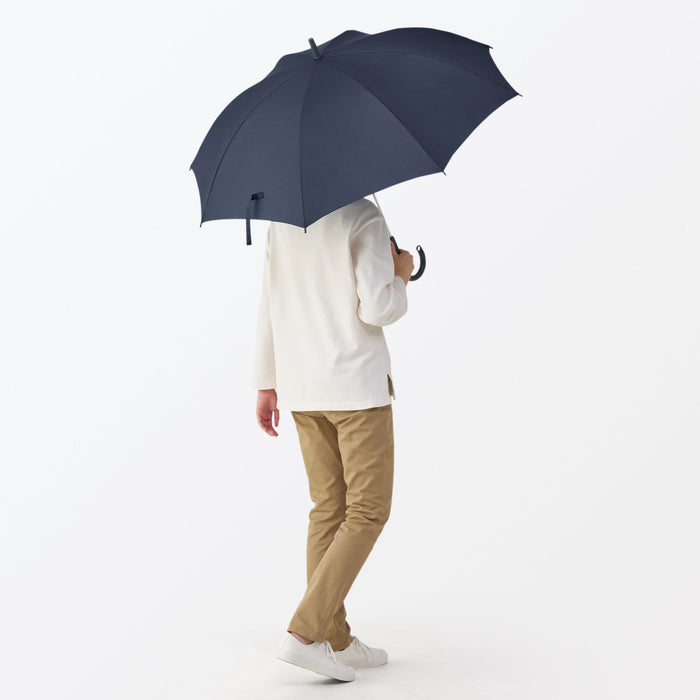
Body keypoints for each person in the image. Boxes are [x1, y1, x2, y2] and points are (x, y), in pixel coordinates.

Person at [251, 196, 414, 682]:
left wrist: (266, 381)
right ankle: (305, 634)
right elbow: (379, 308)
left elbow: (270, 302)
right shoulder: (362, 214)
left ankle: (334, 638)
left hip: (302, 386)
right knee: (366, 512)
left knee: (328, 508)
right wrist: (401, 274)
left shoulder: (282, 221)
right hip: (355, 388)